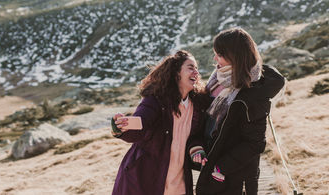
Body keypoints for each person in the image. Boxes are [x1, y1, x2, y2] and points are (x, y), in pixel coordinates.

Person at [192, 28, 285, 195]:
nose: (215, 59)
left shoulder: (253, 93)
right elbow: (204, 122)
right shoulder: (217, 80)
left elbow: (255, 143)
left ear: (235, 56)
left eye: (219, 54)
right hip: (210, 162)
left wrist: (220, 167)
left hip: (233, 176)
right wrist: (196, 146)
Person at [111, 50, 209, 195]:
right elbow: (141, 125)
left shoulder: (197, 105)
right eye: (191, 68)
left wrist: (196, 148)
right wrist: (121, 127)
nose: (196, 72)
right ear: (176, 74)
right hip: (144, 180)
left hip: (178, 184)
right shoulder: (156, 100)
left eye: (196, 69)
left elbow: (196, 135)